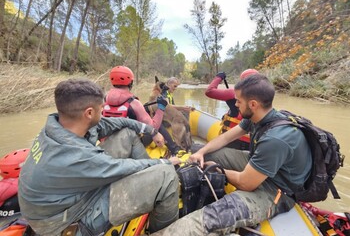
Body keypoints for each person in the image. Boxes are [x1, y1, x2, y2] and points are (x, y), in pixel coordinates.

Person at [149, 74, 312, 236]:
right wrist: (201, 152)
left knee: (204, 220)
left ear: (253, 104)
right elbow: (227, 137)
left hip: (276, 191)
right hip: (260, 167)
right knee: (201, 150)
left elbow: (245, 183)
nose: (235, 104)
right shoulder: (257, 117)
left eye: (238, 101)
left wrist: (218, 169)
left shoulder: (276, 139)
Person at [18, 79, 179, 236]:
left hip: (62, 203)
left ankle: (150, 188)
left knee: (127, 134)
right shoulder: (76, 155)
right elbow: (121, 168)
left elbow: (119, 122)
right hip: (65, 223)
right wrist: (164, 162)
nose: (103, 112)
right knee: (167, 175)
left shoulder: (58, 126)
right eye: (101, 109)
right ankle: (160, 230)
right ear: (89, 113)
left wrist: (151, 131)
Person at [103, 66, 181, 156]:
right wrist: (161, 108)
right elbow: (153, 127)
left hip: (108, 144)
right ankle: (175, 150)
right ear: (131, 82)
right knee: (159, 126)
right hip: (129, 146)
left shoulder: (104, 100)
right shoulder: (134, 103)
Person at [205, 69, 259, 150]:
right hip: (250, 145)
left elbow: (209, 91)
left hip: (232, 141)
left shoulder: (233, 93)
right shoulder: (263, 97)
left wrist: (218, 77)